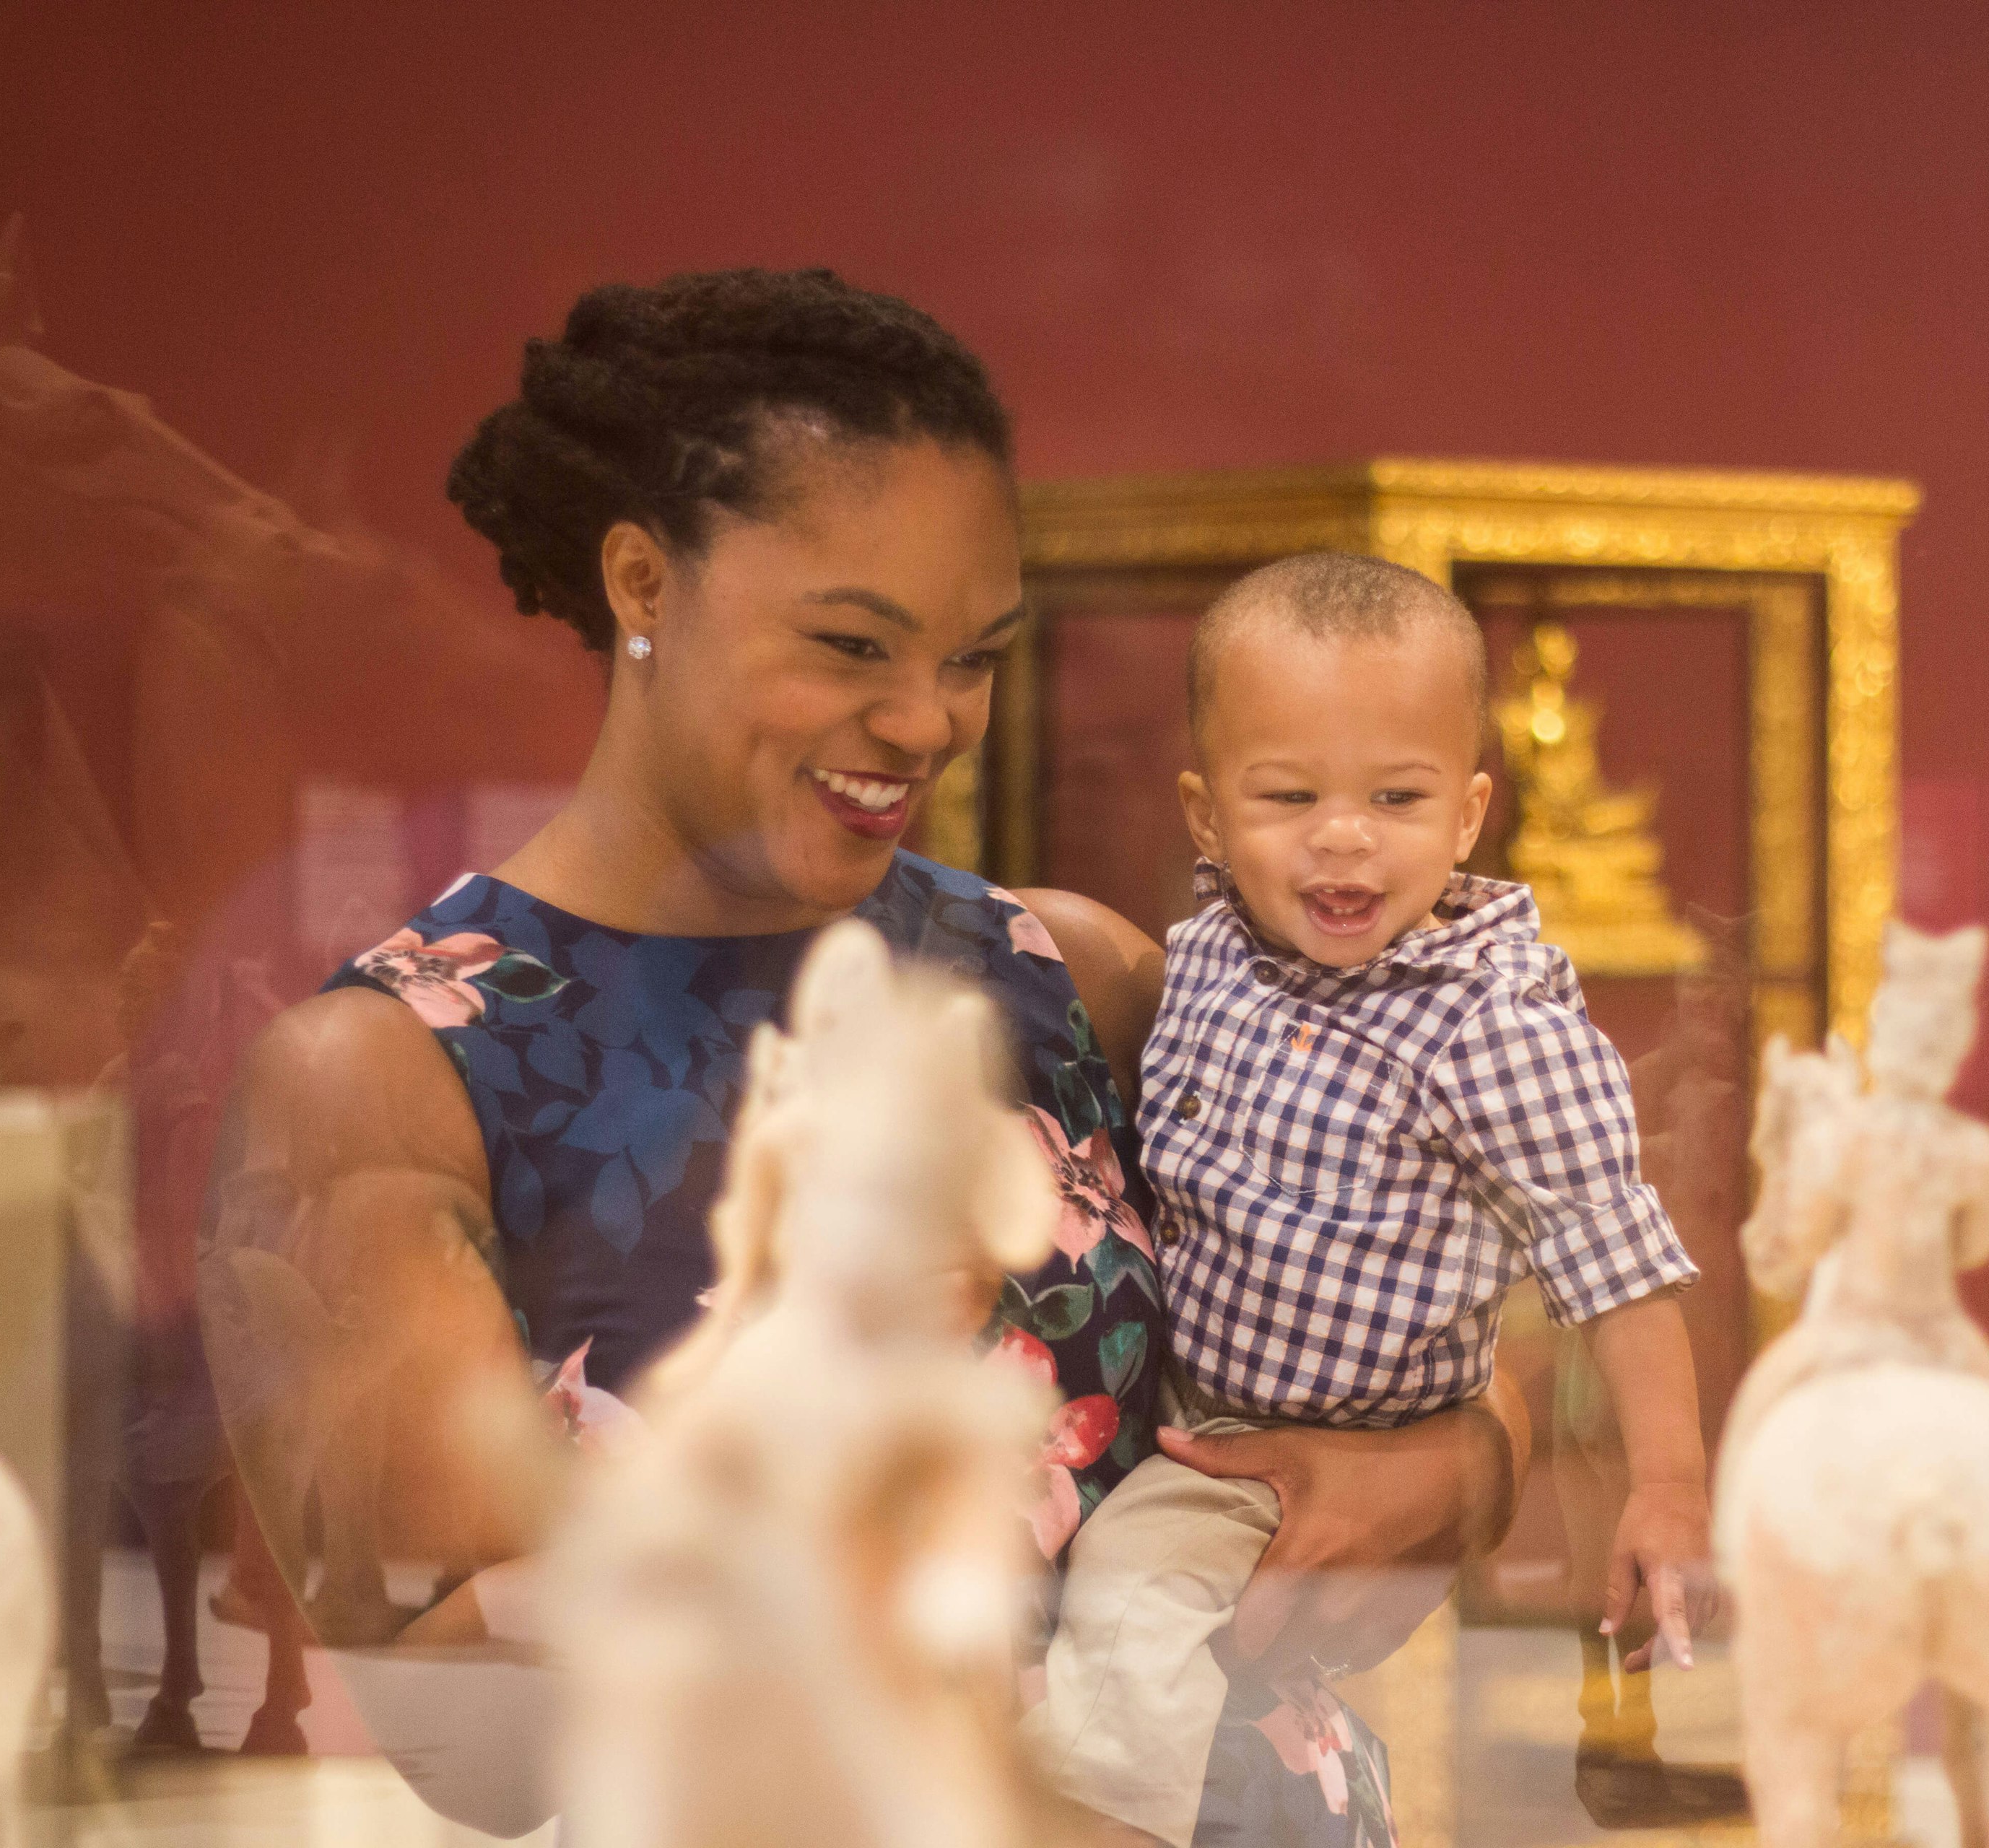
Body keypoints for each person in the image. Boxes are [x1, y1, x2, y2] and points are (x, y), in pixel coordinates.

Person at [196, 271, 1529, 1839]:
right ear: (642, 579)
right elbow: (465, 1733)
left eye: (973, 657)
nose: (926, 718)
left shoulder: (1073, 971)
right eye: (851, 644)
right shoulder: (387, 1076)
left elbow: (1429, 1325)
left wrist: (1460, 1465)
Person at [1027, 554, 1712, 1847]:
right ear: (1207, 815)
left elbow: (1615, 1254)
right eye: (1288, 797)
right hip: (1182, 1404)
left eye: (1396, 798)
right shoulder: (1215, 951)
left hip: (1282, 1451)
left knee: (1129, 1598)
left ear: (1467, 815)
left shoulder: (1489, 1025)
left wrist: (1665, 1482)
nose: (1344, 836)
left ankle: (1104, 1829)